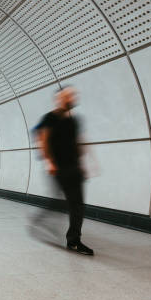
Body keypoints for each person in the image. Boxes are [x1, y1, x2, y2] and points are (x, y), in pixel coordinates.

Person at [35, 86, 94, 255]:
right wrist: (49, 162)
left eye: (73, 95)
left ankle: (74, 241)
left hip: (74, 167)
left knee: (77, 205)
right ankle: (41, 222)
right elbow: (43, 140)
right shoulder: (50, 118)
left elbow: (76, 142)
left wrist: (82, 163)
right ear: (59, 99)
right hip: (58, 168)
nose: (72, 98)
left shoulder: (75, 121)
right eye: (68, 96)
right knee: (61, 203)